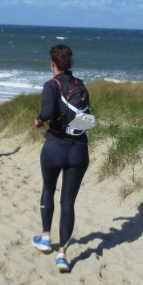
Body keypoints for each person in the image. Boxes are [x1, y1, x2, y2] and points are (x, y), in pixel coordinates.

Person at [31, 44, 90, 273]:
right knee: (68, 203)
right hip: (78, 150)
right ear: (70, 62)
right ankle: (62, 256)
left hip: (55, 147)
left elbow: (47, 112)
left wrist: (39, 120)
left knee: (48, 190)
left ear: (53, 63)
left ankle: (46, 238)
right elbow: (85, 119)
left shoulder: (51, 85)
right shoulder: (80, 85)